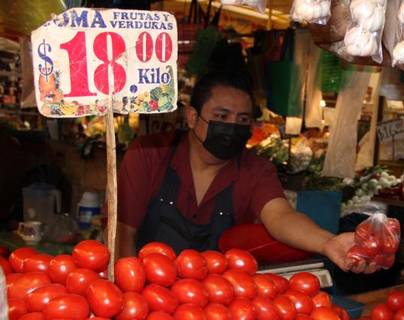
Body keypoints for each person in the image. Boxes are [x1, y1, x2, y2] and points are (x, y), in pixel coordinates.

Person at [117, 70, 360, 270]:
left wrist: (328, 243)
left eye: (242, 120)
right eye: (221, 115)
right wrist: (129, 292)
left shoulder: (256, 170)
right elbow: (123, 232)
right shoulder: (148, 154)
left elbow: (281, 216)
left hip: (218, 303)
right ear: (192, 117)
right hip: (148, 296)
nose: (232, 126)